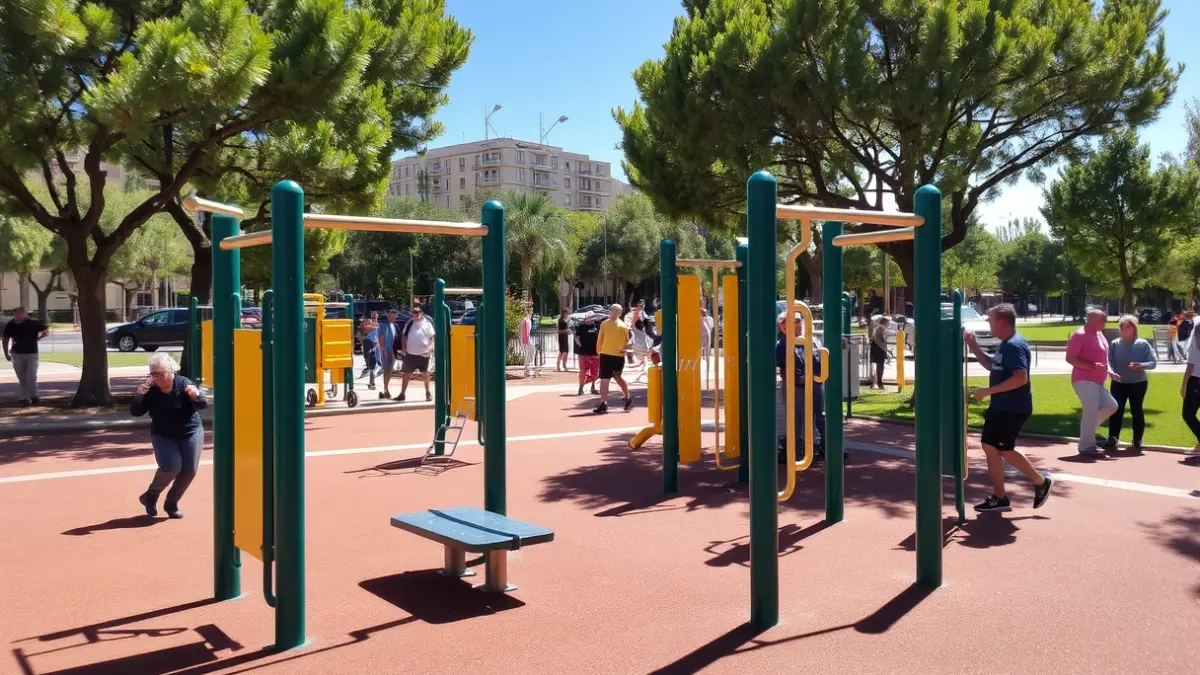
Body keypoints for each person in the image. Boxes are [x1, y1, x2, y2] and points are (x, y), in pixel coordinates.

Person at [966, 303, 1053, 512]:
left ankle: (1040, 482)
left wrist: (987, 392)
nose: (988, 323)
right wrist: (975, 348)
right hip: (1002, 407)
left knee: (1003, 448)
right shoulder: (1005, 344)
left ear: (1001, 322)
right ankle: (1000, 496)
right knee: (990, 446)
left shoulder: (1014, 345)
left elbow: (1021, 378)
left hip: (1013, 407)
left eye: (990, 320)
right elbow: (993, 366)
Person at [132, 352, 207, 519]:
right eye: (152, 373)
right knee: (172, 466)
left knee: (189, 470)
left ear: (171, 370)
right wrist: (139, 395)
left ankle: (171, 502)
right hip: (163, 434)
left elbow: (202, 406)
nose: (156, 377)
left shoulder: (184, 384)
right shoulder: (150, 389)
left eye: (160, 373)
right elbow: (136, 412)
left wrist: (197, 396)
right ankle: (150, 496)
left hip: (190, 431)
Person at [775, 311, 833, 461]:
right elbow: (782, 363)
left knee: (821, 415)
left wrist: (818, 374)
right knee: (797, 418)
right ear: (783, 327)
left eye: (800, 320)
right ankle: (794, 448)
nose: (800, 324)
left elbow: (818, 360)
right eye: (796, 321)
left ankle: (828, 445)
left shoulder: (810, 341)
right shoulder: (783, 344)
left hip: (814, 382)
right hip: (797, 386)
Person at [1066, 308, 1119, 455]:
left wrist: (1109, 371)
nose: (1105, 322)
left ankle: (1087, 433)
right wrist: (1092, 366)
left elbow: (1104, 358)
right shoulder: (1079, 335)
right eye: (1102, 320)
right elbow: (1071, 358)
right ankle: (1086, 446)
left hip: (1098, 381)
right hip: (1083, 379)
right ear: (1092, 320)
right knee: (1091, 410)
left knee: (1111, 405)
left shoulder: (1100, 335)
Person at [1104, 315, 1156, 452]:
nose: (1124, 329)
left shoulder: (1143, 344)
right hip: (1119, 383)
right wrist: (1112, 372)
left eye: (1128, 326)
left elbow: (1153, 363)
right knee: (1116, 409)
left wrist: (1141, 365)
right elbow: (1109, 361)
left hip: (1138, 383)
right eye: (1122, 326)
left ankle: (1138, 439)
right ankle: (1113, 437)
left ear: (1134, 327)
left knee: (1136, 410)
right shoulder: (1115, 344)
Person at [2, 306, 49, 406]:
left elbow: (45, 331)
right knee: (22, 375)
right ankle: (24, 397)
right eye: (15, 314)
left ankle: (34, 395)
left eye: (19, 314)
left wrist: (38, 339)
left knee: (31, 374)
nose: (16, 316)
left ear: (24, 314)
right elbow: (5, 339)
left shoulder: (33, 323)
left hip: (31, 353)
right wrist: (6, 353)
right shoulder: (11, 324)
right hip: (16, 353)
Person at [594, 304, 633, 414]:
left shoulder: (623, 326)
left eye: (613, 310)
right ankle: (603, 403)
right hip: (605, 355)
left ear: (619, 313)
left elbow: (629, 343)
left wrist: (624, 349)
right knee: (604, 379)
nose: (610, 311)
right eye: (610, 310)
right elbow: (600, 339)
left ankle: (628, 396)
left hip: (618, 356)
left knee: (617, 377)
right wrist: (598, 352)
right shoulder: (604, 324)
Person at [398, 305, 436, 402]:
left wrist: (430, 349)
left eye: (417, 312)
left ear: (421, 313)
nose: (415, 314)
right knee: (406, 374)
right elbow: (404, 336)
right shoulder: (409, 323)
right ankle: (402, 394)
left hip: (424, 354)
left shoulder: (427, 324)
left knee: (425, 374)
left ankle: (428, 392)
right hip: (410, 354)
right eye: (414, 312)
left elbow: (432, 339)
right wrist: (403, 349)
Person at [1182, 322, 1200, 454]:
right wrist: (1184, 385)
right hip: (1195, 380)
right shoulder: (1194, 343)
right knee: (1188, 413)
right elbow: (1190, 365)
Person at [574, 312, 602, 396]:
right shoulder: (581, 327)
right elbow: (577, 337)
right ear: (585, 319)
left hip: (595, 353)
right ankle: (581, 388)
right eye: (588, 318)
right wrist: (579, 344)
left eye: (592, 318)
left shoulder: (597, 326)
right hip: (584, 353)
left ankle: (593, 386)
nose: (590, 320)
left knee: (596, 372)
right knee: (583, 370)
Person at [375, 309, 401, 399]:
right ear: (388, 315)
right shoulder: (383, 325)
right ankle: (386, 390)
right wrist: (383, 350)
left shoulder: (394, 326)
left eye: (395, 315)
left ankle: (386, 389)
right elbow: (380, 338)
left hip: (392, 351)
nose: (395, 317)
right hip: (386, 351)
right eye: (393, 315)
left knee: (389, 371)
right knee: (387, 370)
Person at [359, 311, 379, 390]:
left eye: (375, 314)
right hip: (368, 343)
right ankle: (368, 371)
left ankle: (372, 383)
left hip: (376, 345)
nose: (374, 315)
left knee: (373, 365)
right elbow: (364, 329)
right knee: (369, 361)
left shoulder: (377, 324)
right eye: (373, 314)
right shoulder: (367, 323)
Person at [869, 315, 889, 389]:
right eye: (887, 322)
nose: (888, 324)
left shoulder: (877, 328)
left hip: (876, 347)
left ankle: (877, 382)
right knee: (880, 366)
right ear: (885, 322)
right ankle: (879, 383)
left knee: (878, 365)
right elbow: (885, 337)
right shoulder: (882, 328)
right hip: (879, 348)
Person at [519, 306, 535, 377]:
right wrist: (524, 341)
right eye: (531, 311)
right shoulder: (525, 320)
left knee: (531, 351)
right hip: (526, 339)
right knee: (527, 353)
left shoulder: (528, 320)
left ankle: (528, 367)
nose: (532, 313)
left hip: (527, 339)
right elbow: (524, 332)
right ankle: (527, 368)